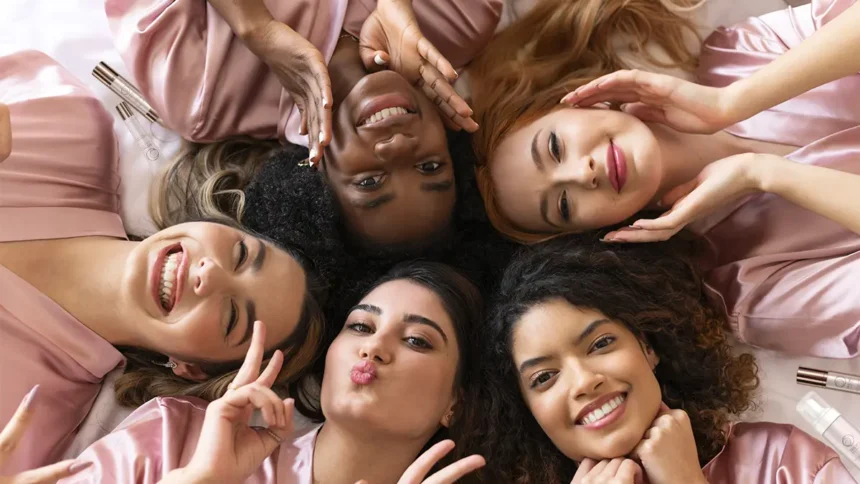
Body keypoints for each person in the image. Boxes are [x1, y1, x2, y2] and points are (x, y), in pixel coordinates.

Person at [470, 0, 860, 357]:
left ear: (577, 100)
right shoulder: (749, 288)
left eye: (555, 147)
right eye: (564, 204)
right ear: (592, 234)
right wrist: (764, 173)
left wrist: (733, 102)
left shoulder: (739, 55)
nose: (581, 173)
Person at [0, 50, 326, 474]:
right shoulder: (65, 130)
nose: (209, 274)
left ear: (191, 368)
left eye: (232, 317)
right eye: (240, 254)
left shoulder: (29, 419)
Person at [108, 0, 503, 249]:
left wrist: (256, 28)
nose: (397, 147)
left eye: (370, 182)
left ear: (315, 182)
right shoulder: (460, 17)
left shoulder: (203, 96)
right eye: (429, 166)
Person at [460, 237, 855, 484]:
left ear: (647, 347)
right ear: (528, 412)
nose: (583, 381)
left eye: (600, 344)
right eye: (545, 377)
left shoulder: (781, 460)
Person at [63, 262, 487, 484]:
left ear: (456, 401)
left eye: (416, 340)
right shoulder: (172, 436)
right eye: (361, 326)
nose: (373, 346)